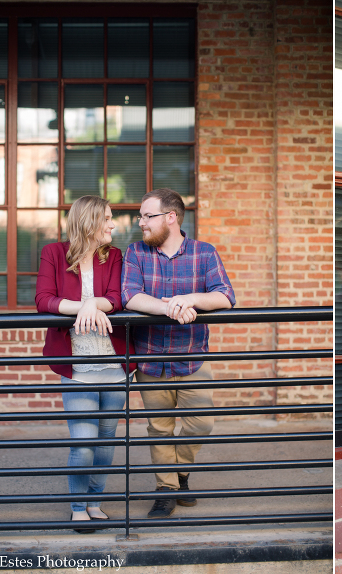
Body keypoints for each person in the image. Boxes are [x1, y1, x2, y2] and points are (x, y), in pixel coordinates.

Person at [121, 188, 236, 519]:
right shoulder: (136, 253)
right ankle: (167, 489)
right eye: (141, 216)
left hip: (192, 357)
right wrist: (170, 308)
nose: (140, 222)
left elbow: (225, 296)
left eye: (147, 216)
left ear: (170, 217)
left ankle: (180, 472)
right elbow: (130, 296)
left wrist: (190, 299)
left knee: (202, 424)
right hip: (150, 358)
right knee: (159, 428)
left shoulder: (204, 253)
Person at [35, 195, 136, 533]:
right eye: (107, 218)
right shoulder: (53, 253)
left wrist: (95, 305)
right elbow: (43, 299)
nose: (113, 224)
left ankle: (95, 501)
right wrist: (86, 307)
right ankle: (78, 507)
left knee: (106, 440)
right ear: (89, 221)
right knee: (83, 440)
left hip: (114, 363)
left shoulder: (115, 256)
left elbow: (118, 298)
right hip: (76, 366)